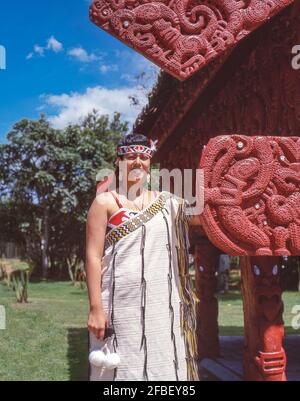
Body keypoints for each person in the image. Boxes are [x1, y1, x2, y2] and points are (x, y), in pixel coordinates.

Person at [85, 133, 200, 381]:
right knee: (121, 370)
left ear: (150, 162)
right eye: (130, 156)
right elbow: (92, 256)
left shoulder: (167, 202)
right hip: (119, 302)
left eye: (143, 157)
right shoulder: (105, 201)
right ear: (119, 160)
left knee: (164, 365)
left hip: (163, 304)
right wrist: (96, 308)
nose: (137, 162)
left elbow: (202, 218)